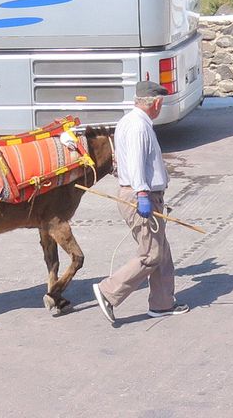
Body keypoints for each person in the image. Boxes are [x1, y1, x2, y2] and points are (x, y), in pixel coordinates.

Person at [93, 80, 189, 323]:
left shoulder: (129, 121)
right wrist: (143, 195)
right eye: (161, 103)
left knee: (162, 253)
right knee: (151, 255)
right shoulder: (139, 127)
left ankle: (162, 303)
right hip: (140, 197)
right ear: (155, 103)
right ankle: (109, 291)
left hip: (141, 194)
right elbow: (136, 162)